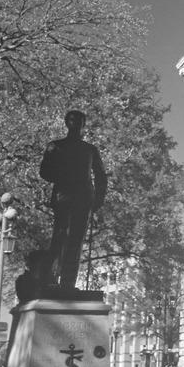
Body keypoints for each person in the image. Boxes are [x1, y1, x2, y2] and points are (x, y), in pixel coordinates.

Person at [40, 110, 107, 287]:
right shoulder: (54, 146)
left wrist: (98, 199)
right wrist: (63, 176)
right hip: (63, 196)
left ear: (83, 124)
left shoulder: (90, 149)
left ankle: (68, 283)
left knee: (76, 241)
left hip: (83, 198)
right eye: (72, 119)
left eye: (79, 120)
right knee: (59, 237)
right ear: (66, 122)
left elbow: (101, 175)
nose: (75, 123)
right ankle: (50, 279)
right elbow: (44, 171)